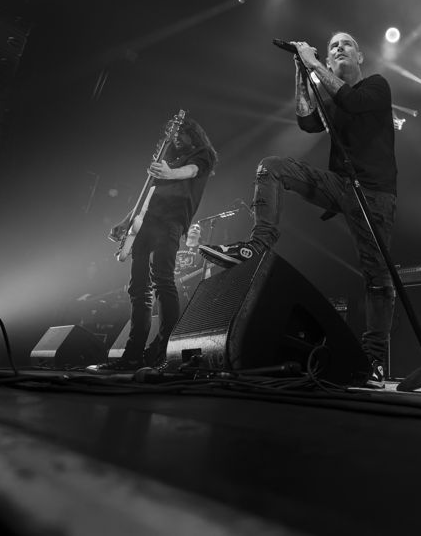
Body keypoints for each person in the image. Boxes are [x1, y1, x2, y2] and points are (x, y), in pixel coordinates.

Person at [199, 31, 397, 386]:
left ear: (361, 56)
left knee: (378, 279)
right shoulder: (332, 94)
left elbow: (351, 101)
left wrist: (315, 62)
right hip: (341, 186)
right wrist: (300, 70)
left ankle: (376, 361)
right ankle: (257, 246)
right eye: (333, 45)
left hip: (376, 193)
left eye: (346, 43)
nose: (338, 48)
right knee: (272, 166)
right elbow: (307, 121)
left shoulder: (377, 87)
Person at [88, 115, 217, 372]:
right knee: (138, 289)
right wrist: (126, 222)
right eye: (173, 135)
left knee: (163, 282)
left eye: (181, 134)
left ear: (193, 133)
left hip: (171, 222)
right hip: (145, 223)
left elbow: (192, 171)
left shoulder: (203, 154)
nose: (177, 139)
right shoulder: (167, 156)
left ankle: (163, 353)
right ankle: (132, 356)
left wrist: (170, 173)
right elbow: (147, 192)